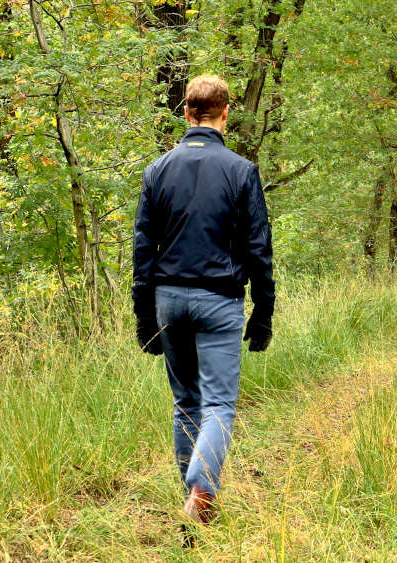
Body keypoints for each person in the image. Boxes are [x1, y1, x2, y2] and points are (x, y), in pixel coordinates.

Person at [132, 74, 275, 525]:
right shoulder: (241, 171)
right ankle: (201, 486)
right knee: (219, 406)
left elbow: (142, 251)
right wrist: (263, 313)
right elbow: (258, 250)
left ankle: (195, 506)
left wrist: (144, 317)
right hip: (219, 301)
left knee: (186, 404)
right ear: (225, 114)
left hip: (168, 301)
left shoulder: (157, 170)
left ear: (187, 113)